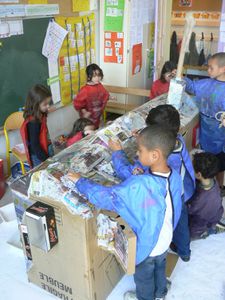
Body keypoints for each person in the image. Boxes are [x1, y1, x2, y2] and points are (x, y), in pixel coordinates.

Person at [67, 125, 182, 300]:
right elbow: (132, 175)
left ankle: (146, 297)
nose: (137, 154)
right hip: (166, 237)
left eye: (140, 150)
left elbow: (108, 197)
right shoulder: (171, 174)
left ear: (154, 155)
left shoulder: (140, 185)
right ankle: (161, 292)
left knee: (144, 278)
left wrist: (80, 182)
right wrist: (118, 154)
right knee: (160, 266)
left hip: (148, 245)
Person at [146, 105, 195, 261]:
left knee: (167, 223)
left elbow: (149, 167)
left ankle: (162, 252)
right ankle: (185, 252)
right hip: (179, 192)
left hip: (167, 196)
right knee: (182, 222)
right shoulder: (177, 139)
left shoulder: (163, 155)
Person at [184, 52, 225, 194]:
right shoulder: (206, 83)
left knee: (220, 165)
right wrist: (180, 77)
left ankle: (219, 188)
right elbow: (191, 86)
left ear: (223, 69)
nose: (207, 70)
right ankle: (207, 190)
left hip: (222, 138)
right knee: (207, 163)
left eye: (211, 68)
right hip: (206, 133)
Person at [188, 152, 224, 239]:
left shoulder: (201, 199)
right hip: (215, 213)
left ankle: (209, 231)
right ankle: (214, 226)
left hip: (200, 225)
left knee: (190, 235)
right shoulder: (214, 182)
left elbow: (191, 210)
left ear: (199, 174)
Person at [20, 84, 53, 168]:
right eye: (45, 104)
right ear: (35, 104)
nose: (48, 106)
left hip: (45, 147)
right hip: (39, 156)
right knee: (42, 174)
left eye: (49, 103)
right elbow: (35, 146)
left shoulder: (40, 113)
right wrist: (46, 159)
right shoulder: (33, 122)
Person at [73, 63, 110, 129]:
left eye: (99, 75)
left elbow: (104, 94)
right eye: (94, 76)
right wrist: (85, 112)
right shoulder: (85, 90)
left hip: (97, 116)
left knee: (96, 128)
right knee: (88, 131)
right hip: (88, 118)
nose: (98, 78)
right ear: (89, 76)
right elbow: (78, 104)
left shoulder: (99, 85)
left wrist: (109, 97)